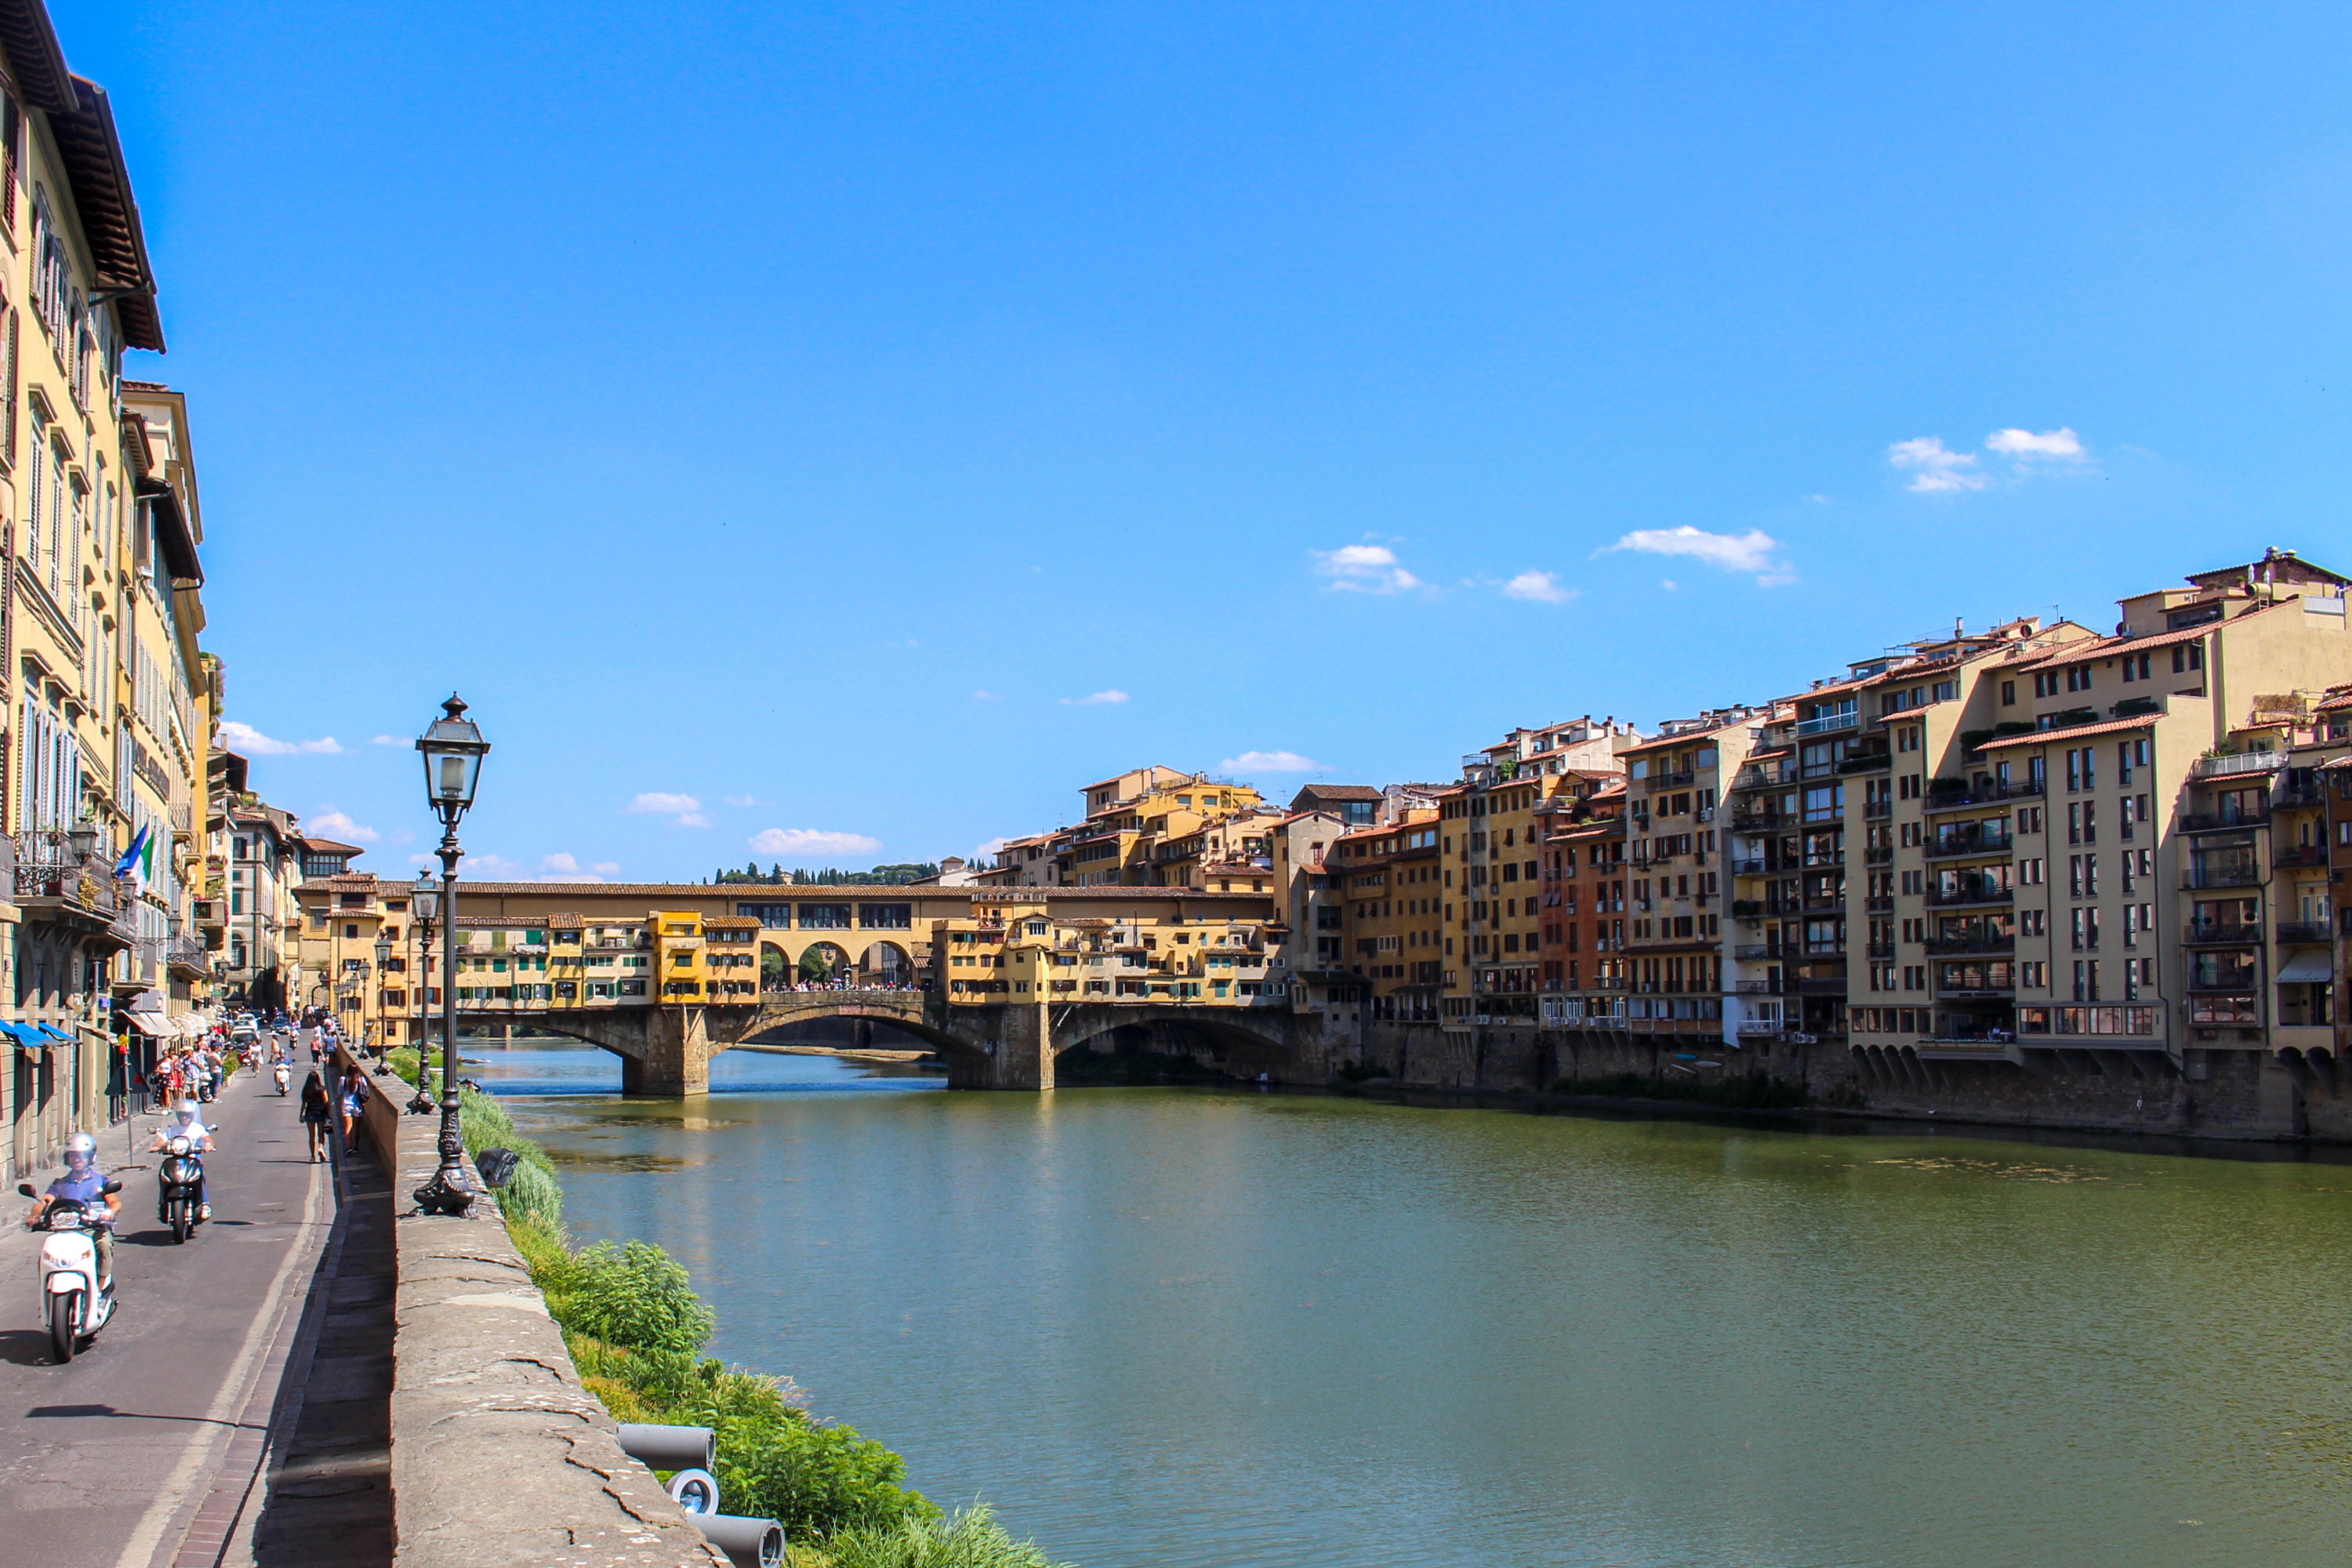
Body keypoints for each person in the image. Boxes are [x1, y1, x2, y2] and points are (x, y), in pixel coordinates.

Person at [24, 1132, 119, 1290]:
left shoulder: (101, 1181)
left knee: (104, 1244)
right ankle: (47, 1292)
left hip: (93, 1226)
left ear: (91, 1158)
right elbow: (44, 1202)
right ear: (67, 1158)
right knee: (48, 1253)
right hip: (67, 1229)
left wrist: (109, 1212)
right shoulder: (60, 1183)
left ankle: (101, 1289)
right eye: (73, 1156)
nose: (77, 1159)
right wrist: (35, 1215)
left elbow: (115, 1202)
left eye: (82, 1156)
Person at [148, 1100, 215, 1221]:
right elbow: (163, 1139)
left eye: (187, 1115)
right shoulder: (173, 1128)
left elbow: (207, 1138)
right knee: (164, 1175)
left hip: (193, 1158)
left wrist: (208, 1145)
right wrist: (156, 1146)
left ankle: (204, 1203)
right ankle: (163, 1202)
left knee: (200, 1177)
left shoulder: (197, 1128)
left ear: (192, 1116)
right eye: (182, 1115)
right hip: (175, 1158)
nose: (184, 1118)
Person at [299, 1069, 332, 1162]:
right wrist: (328, 1113)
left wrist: (301, 1115)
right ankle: (320, 1147)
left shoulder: (306, 1090)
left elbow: (303, 1104)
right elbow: (326, 1101)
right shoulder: (322, 1089)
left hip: (309, 1113)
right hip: (320, 1112)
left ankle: (312, 1156)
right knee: (321, 1134)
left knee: (311, 1135)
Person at [336, 1065, 369, 1156]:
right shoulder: (361, 1080)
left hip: (346, 1106)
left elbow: (340, 1094)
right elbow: (365, 1092)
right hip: (357, 1106)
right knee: (356, 1127)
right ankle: (356, 1147)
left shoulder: (343, 1080)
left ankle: (348, 1147)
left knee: (348, 1126)